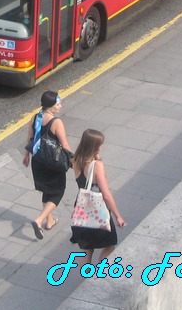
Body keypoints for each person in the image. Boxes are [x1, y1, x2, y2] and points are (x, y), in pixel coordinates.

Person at [70, 129, 125, 266]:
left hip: (81, 208)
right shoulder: (97, 166)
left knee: (87, 249)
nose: (102, 146)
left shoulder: (75, 161)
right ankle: (100, 272)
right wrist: (118, 215)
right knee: (110, 244)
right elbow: (106, 194)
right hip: (97, 210)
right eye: (100, 144)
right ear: (94, 146)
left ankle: (87, 278)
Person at [23, 91, 72, 240]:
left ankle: (49, 221)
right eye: (58, 104)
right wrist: (73, 160)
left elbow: (29, 138)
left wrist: (26, 156)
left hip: (38, 161)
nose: (60, 106)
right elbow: (64, 145)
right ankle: (39, 220)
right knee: (57, 192)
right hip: (52, 162)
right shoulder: (56, 122)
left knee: (46, 190)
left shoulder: (35, 118)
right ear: (50, 106)